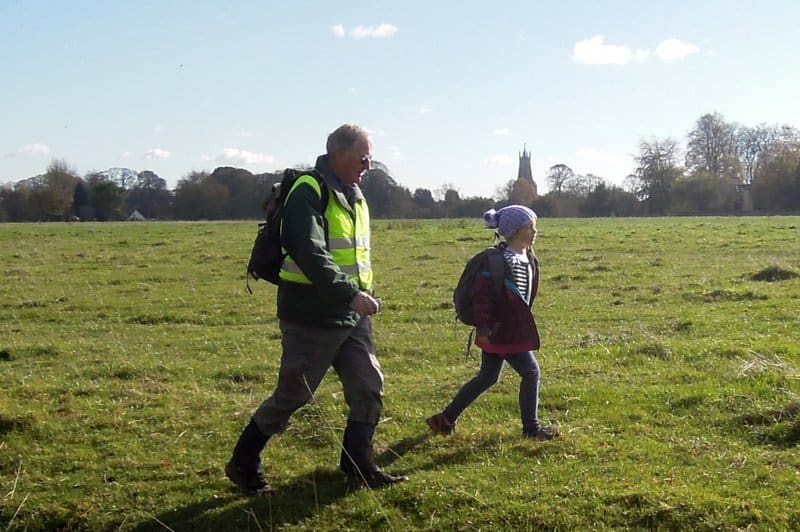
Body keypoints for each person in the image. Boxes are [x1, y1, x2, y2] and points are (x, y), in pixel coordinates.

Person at [226, 124, 407, 494]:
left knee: (368, 387)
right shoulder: (309, 188)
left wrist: (361, 295)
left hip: (350, 313)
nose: (369, 164)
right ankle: (243, 462)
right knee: (294, 394)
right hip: (312, 314)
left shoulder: (354, 193)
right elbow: (308, 250)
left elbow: (354, 254)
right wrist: (348, 293)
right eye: (363, 156)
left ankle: (359, 465)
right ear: (339, 153)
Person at [427, 205, 558, 440]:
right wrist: (484, 328)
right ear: (515, 230)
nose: (534, 231)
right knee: (530, 371)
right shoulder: (499, 261)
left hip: (507, 327)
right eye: (529, 227)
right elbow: (482, 299)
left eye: (534, 226)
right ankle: (532, 428)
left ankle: (445, 419)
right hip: (502, 330)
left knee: (487, 377)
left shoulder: (527, 256)